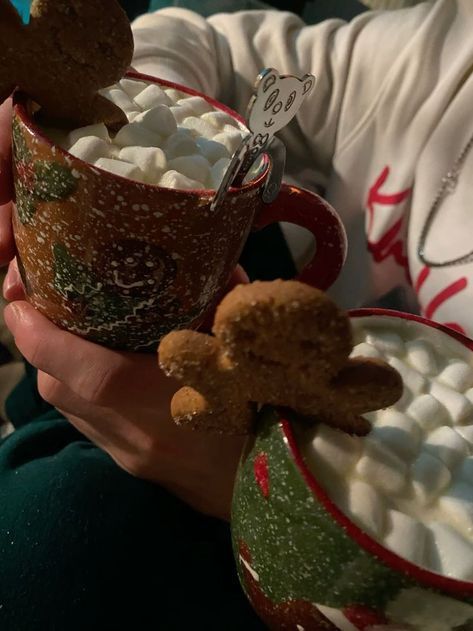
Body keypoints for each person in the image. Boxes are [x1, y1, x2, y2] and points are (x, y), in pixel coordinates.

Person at [0, 0, 472, 628]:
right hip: (238, 347)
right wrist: (126, 134)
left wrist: (251, 481)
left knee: (47, 537)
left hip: (325, 537)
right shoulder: (445, 55)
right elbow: (203, 40)